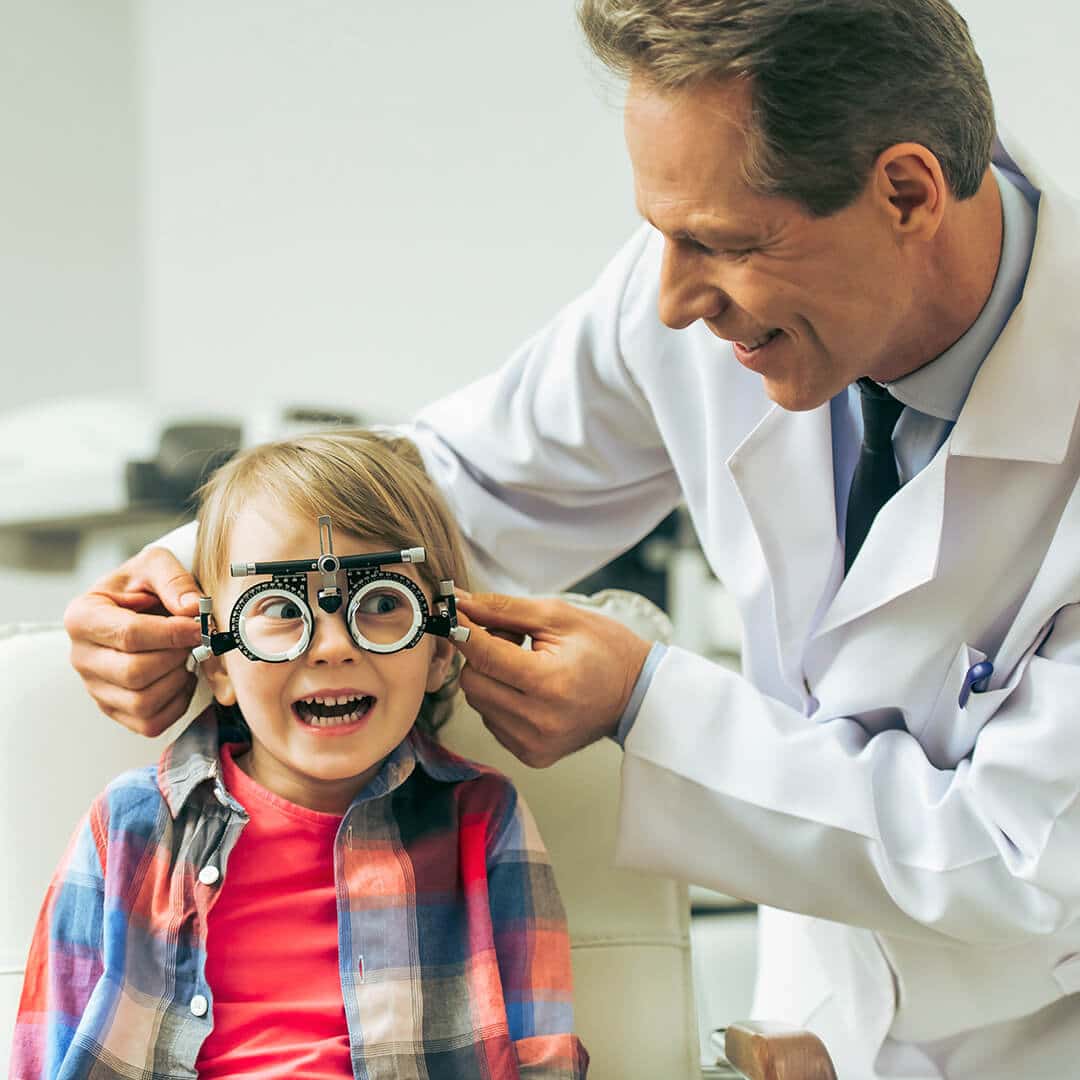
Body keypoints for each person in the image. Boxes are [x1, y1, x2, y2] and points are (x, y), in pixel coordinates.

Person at [60, 0, 1080, 1076]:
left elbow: (1022, 856)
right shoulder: (686, 298)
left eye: (722, 245)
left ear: (908, 192)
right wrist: (183, 578)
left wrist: (648, 703)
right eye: (660, 233)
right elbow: (454, 489)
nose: (675, 300)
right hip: (816, 1019)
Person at [13, 430, 587, 1080]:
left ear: (441, 648)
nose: (333, 646)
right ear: (217, 664)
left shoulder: (484, 821)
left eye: (380, 604)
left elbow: (545, 1057)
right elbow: (43, 1047)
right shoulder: (128, 827)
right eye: (281, 610)